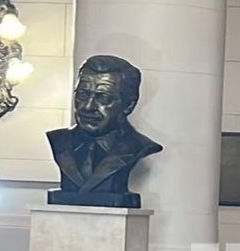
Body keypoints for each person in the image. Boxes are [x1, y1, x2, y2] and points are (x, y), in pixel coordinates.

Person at [47, 55, 162, 208]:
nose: (88, 106)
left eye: (103, 98)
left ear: (129, 105)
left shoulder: (138, 146)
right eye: (82, 95)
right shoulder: (59, 140)